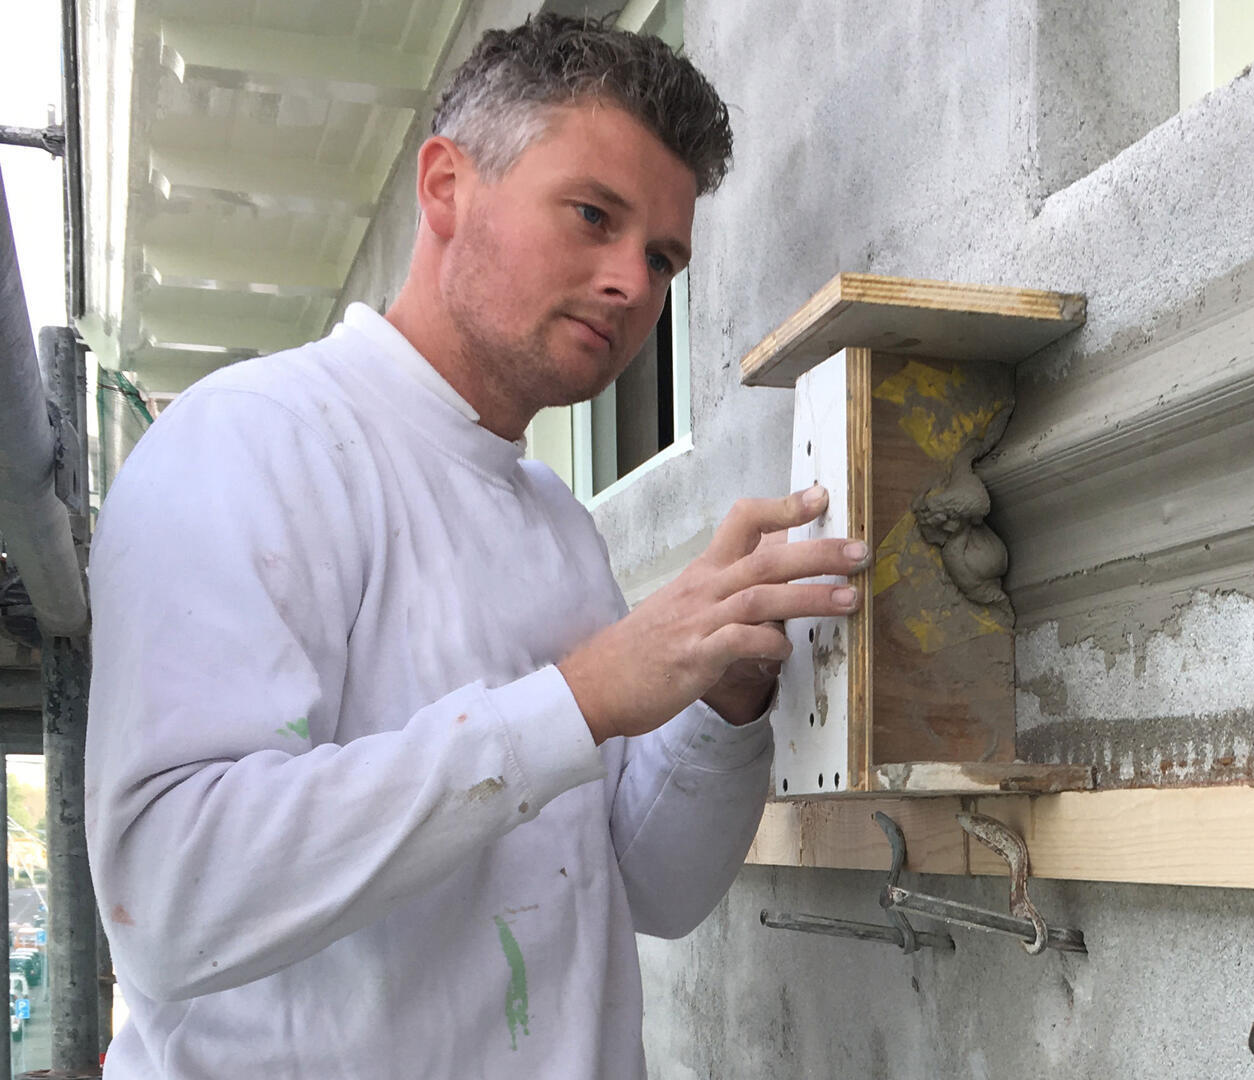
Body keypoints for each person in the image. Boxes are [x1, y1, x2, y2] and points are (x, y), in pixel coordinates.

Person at [84, 15, 861, 1078]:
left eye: (663, 257)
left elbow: (657, 893)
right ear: (446, 186)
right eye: (593, 215)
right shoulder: (251, 439)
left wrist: (722, 701)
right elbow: (167, 904)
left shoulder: (556, 523)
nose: (634, 284)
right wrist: (582, 696)